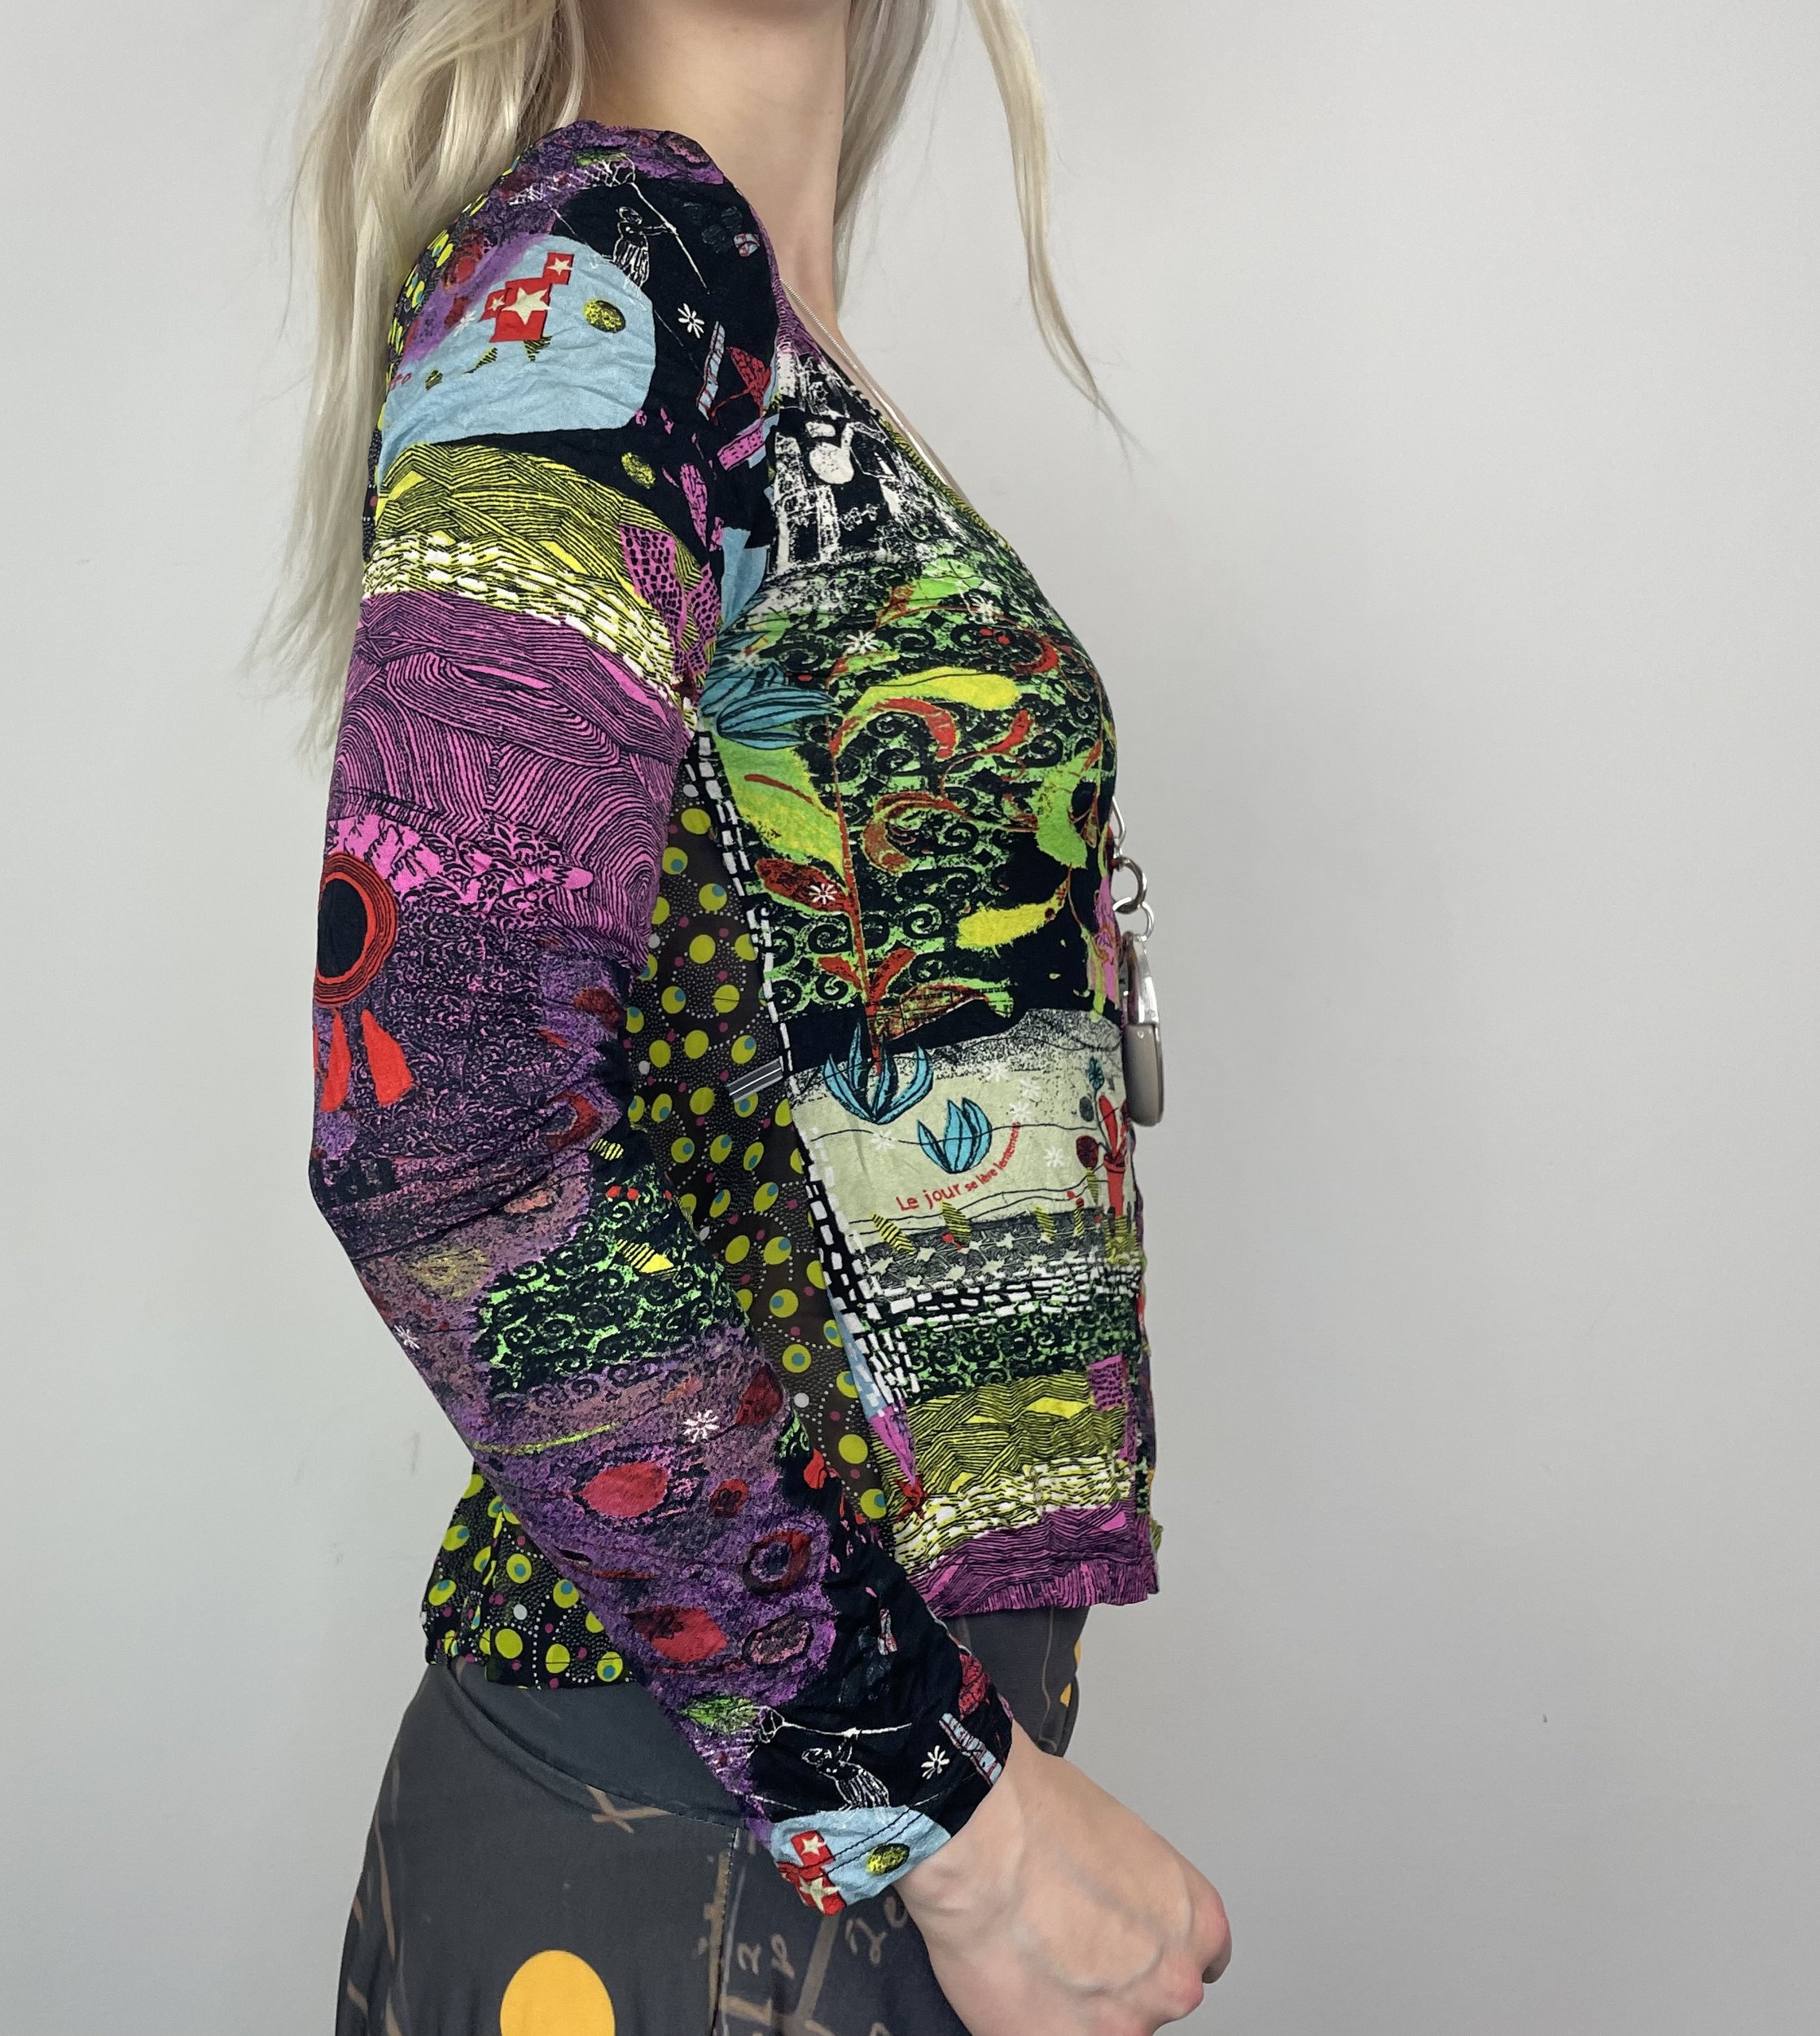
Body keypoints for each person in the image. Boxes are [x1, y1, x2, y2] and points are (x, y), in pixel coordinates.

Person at [271, 2, 1232, 2029]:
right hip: (708, 1844)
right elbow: (433, 1129)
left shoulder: (742, 330)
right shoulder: (610, 276)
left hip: (778, 1831)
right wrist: (953, 1813)